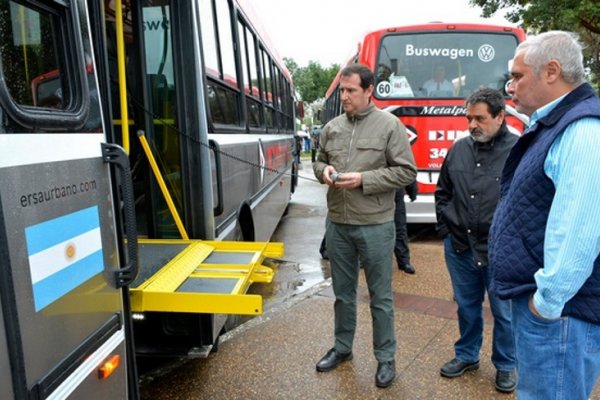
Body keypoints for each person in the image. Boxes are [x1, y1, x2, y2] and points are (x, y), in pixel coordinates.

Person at [489, 31, 600, 399]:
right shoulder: (557, 124)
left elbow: (578, 234)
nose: (511, 87)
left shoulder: (582, 131)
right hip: (552, 310)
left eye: (518, 76)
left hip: (559, 314)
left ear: (551, 71)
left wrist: (546, 305)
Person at [313, 63, 417, 388]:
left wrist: (364, 180)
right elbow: (317, 160)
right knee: (342, 295)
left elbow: (406, 172)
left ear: (368, 90)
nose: (344, 96)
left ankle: (386, 357)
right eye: (342, 91)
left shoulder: (390, 126)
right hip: (338, 226)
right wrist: (323, 172)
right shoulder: (331, 127)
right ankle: (342, 348)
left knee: (380, 297)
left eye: (351, 91)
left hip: (375, 225)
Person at [435, 87, 518, 393]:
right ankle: (467, 355)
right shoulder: (458, 150)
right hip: (460, 248)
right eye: (469, 118)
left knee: (504, 312)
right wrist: (446, 230)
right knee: (467, 307)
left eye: (480, 118)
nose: (472, 124)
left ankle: (506, 364)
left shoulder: (518, 150)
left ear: (500, 116)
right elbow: (443, 193)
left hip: (501, 252)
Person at [394, 181, 418, 274]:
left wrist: (412, 190)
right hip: (376, 192)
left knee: (400, 228)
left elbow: (407, 168)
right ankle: (366, 259)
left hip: (395, 191)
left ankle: (403, 261)